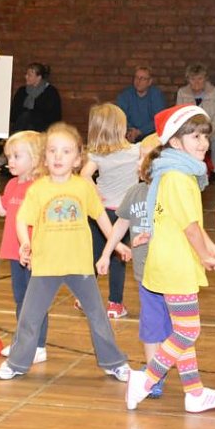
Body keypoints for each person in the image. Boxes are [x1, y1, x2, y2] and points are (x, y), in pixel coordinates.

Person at [0, 122, 131, 382]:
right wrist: (25, 243)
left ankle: (114, 362)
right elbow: (22, 220)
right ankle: (17, 364)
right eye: (53, 151)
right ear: (44, 157)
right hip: (45, 266)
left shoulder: (83, 187)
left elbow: (101, 216)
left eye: (66, 152)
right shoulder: (38, 189)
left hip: (79, 265)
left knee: (98, 316)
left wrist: (116, 243)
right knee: (29, 318)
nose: (58, 157)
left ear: (78, 159)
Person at [124, 104, 215, 413]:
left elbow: (191, 223)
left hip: (171, 261)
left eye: (204, 136)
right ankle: (145, 381)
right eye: (194, 136)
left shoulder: (172, 173)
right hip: (176, 264)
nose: (202, 142)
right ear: (174, 142)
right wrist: (204, 255)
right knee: (187, 331)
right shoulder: (179, 178)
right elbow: (189, 228)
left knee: (182, 331)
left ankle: (195, 393)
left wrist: (212, 250)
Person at [96, 135, 172, 399]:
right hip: (144, 276)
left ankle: (171, 369)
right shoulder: (135, 192)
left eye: (144, 156)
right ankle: (154, 373)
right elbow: (120, 225)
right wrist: (107, 253)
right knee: (151, 325)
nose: (138, 162)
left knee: (173, 327)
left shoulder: (172, 193)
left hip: (172, 275)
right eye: (138, 156)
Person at [0, 131, 49, 363]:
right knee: (21, 298)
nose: (10, 161)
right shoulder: (11, 184)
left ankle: (38, 345)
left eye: (16, 156)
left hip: (34, 252)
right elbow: (2, 210)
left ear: (35, 158)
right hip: (13, 251)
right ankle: (23, 341)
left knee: (35, 299)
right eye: (9, 156)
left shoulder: (39, 187)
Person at [80, 103, 139, 319]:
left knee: (94, 254)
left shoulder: (97, 155)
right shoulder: (135, 151)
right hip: (123, 214)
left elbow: (85, 175)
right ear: (121, 128)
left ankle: (84, 296)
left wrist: (96, 192)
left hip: (99, 212)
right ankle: (115, 303)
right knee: (118, 258)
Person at [176, 64, 215, 182]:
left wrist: (208, 132)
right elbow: (180, 114)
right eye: (193, 79)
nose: (196, 82)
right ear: (188, 80)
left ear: (205, 79)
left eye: (200, 79)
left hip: (211, 130)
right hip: (190, 130)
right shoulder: (182, 93)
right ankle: (187, 168)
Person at [116, 66, 166, 143]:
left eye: (143, 78)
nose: (138, 81)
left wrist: (140, 131)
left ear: (150, 82)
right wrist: (131, 130)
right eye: (136, 77)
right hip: (129, 135)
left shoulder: (156, 95)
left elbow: (160, 119)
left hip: (151, 137)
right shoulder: (125, 95)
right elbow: (120, 117)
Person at [9, 63, 62, 133]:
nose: (26, 77)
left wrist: (32, 115)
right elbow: (14, 113)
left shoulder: (50, 92)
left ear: (39, 77)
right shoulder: (22, 91)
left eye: (29, 75)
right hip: (22, 128)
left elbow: (54, 116)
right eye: (26, 74)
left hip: (42, 130)